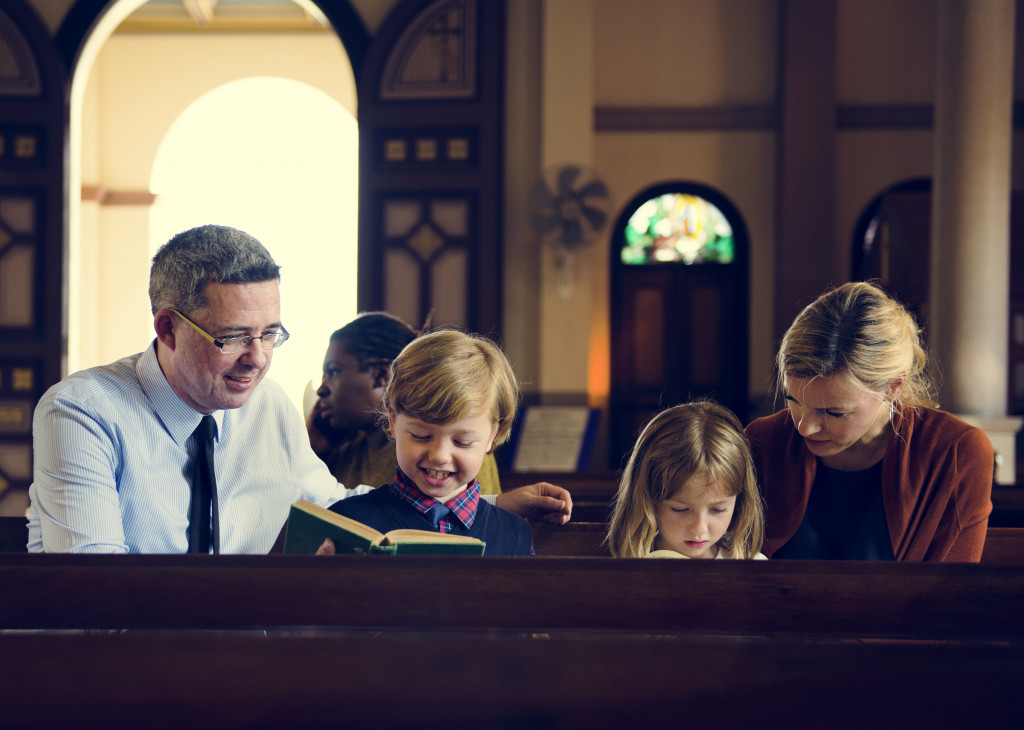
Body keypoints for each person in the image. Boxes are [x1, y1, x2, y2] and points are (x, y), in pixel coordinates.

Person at [26, 225, 571, 554]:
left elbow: (335, 505)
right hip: (117, 675)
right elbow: (92, 585)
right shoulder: (83, 411)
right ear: (167, 328)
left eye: (271, 334)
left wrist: (493, 504)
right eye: (234, 337)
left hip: (252, 669)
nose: (258, 359)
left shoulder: (267, 405)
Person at [745, 281, 994, 561]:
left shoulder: (955, 452)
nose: (805, 427)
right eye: (794, 401)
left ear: (892, 388)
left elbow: (950, 593)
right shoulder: (763, 441)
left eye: (833, 412)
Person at [322, 329, 534, 556]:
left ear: (493, 435)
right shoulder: (346, 520)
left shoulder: (516, 535)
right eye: (421, 436)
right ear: (393, 421)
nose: (440, 455)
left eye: (462, 442)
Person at [309, 312, 501, 495]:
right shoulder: (341, 454)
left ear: (381, 375)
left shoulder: (457, 451)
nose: (321, 389)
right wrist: (313, 453)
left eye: (333, 372)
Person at [606, 401, 766, 560]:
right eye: (680, 509)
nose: (699, 529)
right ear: (648, 500)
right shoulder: (627, 566)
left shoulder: (753, 565)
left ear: (739, 502)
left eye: (717, 510)